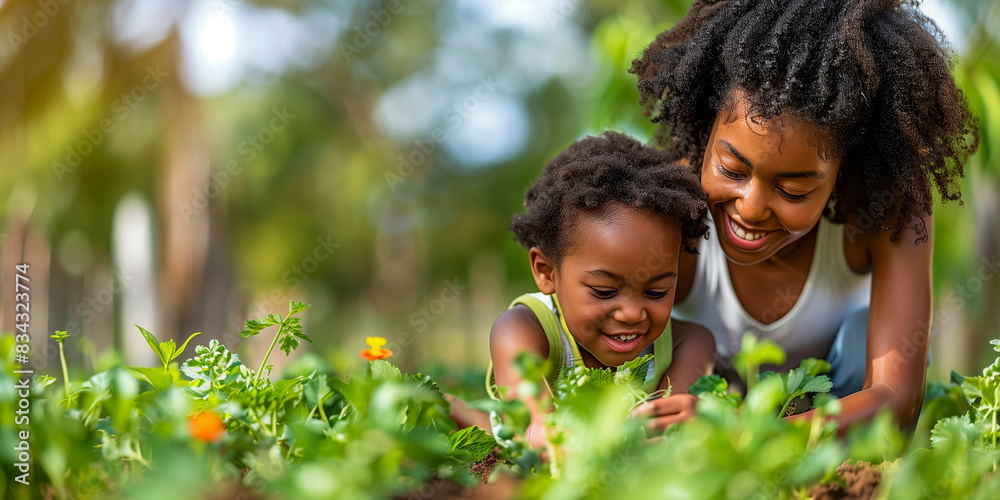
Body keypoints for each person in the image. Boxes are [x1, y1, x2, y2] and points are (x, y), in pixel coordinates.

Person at [629, 0, 979, 430]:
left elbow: (895, 398)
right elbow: (574, 310)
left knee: (858, 337)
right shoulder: (672, 205)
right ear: (707, 135)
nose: (751, 208)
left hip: (828, 429)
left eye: (792, 190)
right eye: (731, 170)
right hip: (690, 413)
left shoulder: (888, 213)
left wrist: (746, 432)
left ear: (845, 174)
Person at [449, 131, 717, 445]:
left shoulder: (687, 343)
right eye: (604, 291)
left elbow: (671, 428)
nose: (632, 313)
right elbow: (530, 422)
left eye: (655, 292)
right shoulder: (524, 329)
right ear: (546, 272)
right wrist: (542, 426)